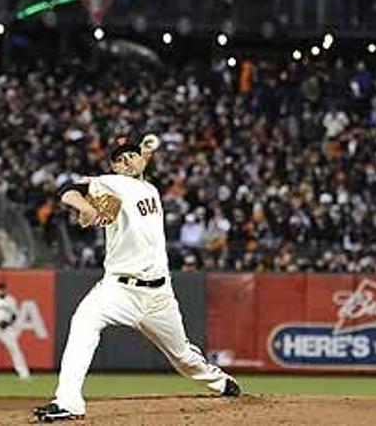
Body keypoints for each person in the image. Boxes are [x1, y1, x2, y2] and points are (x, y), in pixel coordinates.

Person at [33, 133, 240, 422]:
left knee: (182, 356)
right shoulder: (111, 182)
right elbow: (67, 190)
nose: (127, 159)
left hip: (159, 295)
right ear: (114, 167)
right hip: (119, 289)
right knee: (83, 323)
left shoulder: (149, 189)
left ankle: (219, 382)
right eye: (120, 158)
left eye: (131, 155)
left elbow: (139, 171)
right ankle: (68, 401)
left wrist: (143, 153)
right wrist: (87, 207)